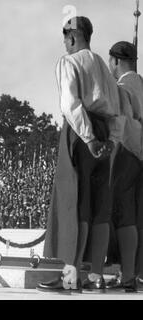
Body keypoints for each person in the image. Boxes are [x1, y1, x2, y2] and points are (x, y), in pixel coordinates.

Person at [37, 16, 124, 292]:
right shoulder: (102, 66)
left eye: (65, 38)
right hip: (104, 131)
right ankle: (87, 274)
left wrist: (87, 138)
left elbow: (70, 104)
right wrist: (109, 139)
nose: (64, 44)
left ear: (72, 37)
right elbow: (116, 110)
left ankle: (69, 276)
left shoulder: (68, 62)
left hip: (80, 132)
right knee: (92, 205)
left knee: (73, 202)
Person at [105, 41, 143, 291]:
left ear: (116, 61)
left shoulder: (121, 87)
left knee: (122, 213)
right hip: (139, 154)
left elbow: (115, 124)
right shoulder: (140, 83)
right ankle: (133, 272)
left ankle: (127, 273)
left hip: (126, 153)